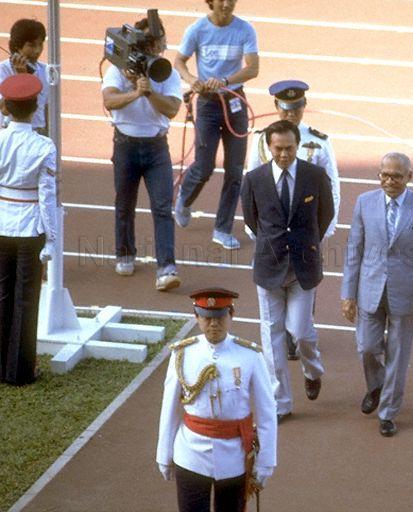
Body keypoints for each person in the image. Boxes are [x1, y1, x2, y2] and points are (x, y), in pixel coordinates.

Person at [341, 152, 413, 437]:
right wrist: (348, 294)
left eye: (396, 176)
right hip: (369, 289)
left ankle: (387, 413)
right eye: (384, 175)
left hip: (406, 293)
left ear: (409, 177)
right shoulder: (364, 202)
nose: (389, 181)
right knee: (367, 346)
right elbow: (354, 250)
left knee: (398, 355)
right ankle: (377, 385)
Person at [240, 119, 333, 422]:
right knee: (272, 336)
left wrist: (306, 244)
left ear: (298, 146)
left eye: (289, 148)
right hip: (269, 268)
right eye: (278, 148)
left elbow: (325, 214)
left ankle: (312, 370)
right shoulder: (254, 179)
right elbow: (253, 220)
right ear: (268, 147)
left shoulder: (315, 176)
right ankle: (280, 402)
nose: (284, 154)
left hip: (303, 268)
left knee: (300, 331)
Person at [156, 287, 277, 512]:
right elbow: (169, 407)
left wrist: (266, 461)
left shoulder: (250, 356)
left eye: (220, 317)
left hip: (234, 457)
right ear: (196, 316)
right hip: (190, 453)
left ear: (231, 314)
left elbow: (267, 411)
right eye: (206, 317)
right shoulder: (182, 353)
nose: (214, 324)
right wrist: (164, 453)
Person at [246, 79, 341, 361]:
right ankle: (288, 336)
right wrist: (257, 232)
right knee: (275, 280)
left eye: (296, 108)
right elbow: (251, 182)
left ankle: (299, 331)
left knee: (304, 279)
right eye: (286, 108)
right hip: (273, 229)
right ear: (276, 107)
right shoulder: (262, 139)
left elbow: (332, 186)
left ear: (304, 106)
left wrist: (324, 230)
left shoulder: (318, 141)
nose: (291, 114)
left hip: (306, 226)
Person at [101, 16, 182, 292]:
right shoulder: (117, 69)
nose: (155, 48)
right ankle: (125, 253)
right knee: (124, 203)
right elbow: (109, 100)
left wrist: (148, 94)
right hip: (125, 145)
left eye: (159, 42)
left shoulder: (168, 73)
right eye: (149, 42)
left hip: (157, 147)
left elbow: (172, 108)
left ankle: (167, 268)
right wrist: (135, 92)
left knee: (162, 207)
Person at [173, 0, 259, 250]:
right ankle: (184, 198)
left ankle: (222, 229)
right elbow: (179, 61)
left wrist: (225, 80)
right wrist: (192, 79)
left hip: (235, 101)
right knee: (204, 166)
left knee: (235, 170)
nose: (227, 4)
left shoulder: (245, 29)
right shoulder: (197, 29)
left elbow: (253, 68)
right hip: (208, 104)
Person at [0, 74, 57, 385]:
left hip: (2, 223)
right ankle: (20, 371)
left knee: (2, 294)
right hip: (29, 227)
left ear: (6, 108)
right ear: (36, 108)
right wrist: (52, 239)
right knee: (26, 299)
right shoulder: (44, 146)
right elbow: (47, 197)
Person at [0, 19, 49, 135]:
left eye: (40, 44)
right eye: (31, 45)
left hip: (39, 132)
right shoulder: (3, 70)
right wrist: (21, 77)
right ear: (17, 46)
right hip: (13, 134)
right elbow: (5, 110)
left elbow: (47, 107)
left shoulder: (44, 70)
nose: (37, 51)